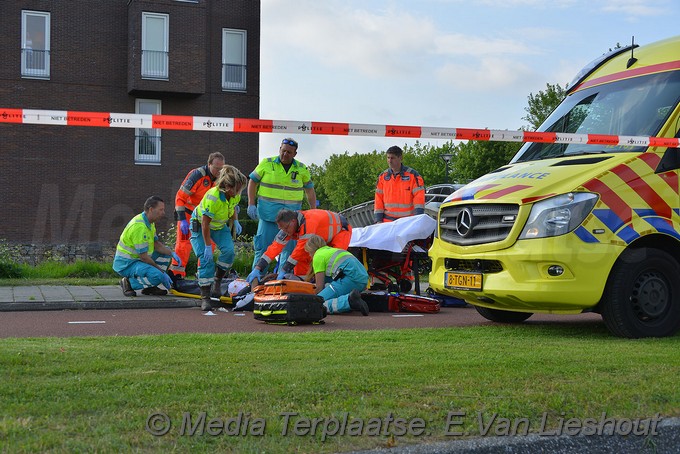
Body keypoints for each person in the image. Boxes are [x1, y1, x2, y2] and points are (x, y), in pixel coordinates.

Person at [246, 138, 316, 272]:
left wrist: (313, 211)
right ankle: (256, 281)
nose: (285, 154)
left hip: (291, 222)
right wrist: (251, 203)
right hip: (268, 217)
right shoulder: (267, 163)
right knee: (262, 250)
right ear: (279, 149)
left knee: (289, 253)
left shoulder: (301, 169)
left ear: (295, 154)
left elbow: (310, 190)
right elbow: (252, 182)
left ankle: (283, 282)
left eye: (289, 152)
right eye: (283, 151)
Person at [190, 164, 247, 311]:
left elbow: (232, 206)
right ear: (228, 186)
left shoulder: (235, 194)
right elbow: (204, 225)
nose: (240, 191)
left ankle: (217, 281)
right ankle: (205, 297)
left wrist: (235, 220)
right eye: (238, 188)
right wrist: (208, 247)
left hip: (219, 226)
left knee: (229, 252)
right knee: (205, 258)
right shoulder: (213, 197)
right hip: (201, 225)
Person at [247, 208, 351, 283]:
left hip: (341, 232)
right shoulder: (288, 225)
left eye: (286, 228)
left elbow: (300, 249)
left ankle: (335, 287)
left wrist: (284, 270)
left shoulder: (309, 223)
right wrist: (258, 268)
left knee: (333, 261)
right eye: (282, 229)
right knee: (301, 260)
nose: (285, 232)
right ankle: (304, 285)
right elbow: (275, 247)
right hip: (325, 236)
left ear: (293, 221)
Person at [170, 152, 225, 278]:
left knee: (209, 246)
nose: (219, 171)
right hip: (189, 215)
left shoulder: (222, 178)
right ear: (209, 164)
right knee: (183, 245)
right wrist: (182, 219)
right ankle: (176, 274)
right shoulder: (197, 175)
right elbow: (180, 197)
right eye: (216, 168)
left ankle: (202, 274)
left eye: (221, 168)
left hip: (208, 217)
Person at [114, 196, 180, 297]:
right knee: (157, 276)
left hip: (137, 260)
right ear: (151, 210)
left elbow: (156, 244)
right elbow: (144, 257)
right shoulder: (139, 227)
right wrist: (161, 272)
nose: (163, 213)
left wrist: (171, 253)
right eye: (161, 210)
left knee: (165, 254)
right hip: (127, 264)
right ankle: (128, 283)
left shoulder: (149, 222)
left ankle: (150, 286)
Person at [304, 235, 369, 315]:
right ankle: (349, 300)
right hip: (362, 281)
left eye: (309, 253)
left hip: (350, 279)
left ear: (311, 250)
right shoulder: (332, 251)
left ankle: (349, 301)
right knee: (328, 287)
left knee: (315, 303)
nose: (310, 256)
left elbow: (319, 287)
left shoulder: (318, 256)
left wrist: (307, 297)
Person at [374, 145, 426, 223]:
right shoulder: (382, 177)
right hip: (387, 221)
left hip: (407, 222)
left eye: (392, 158)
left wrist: (418, 217)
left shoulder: (413, 176)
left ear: (400, 158)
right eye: (388, 158)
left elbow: (419, 198)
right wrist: (378, 220)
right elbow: (378, 200)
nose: (389, 161)